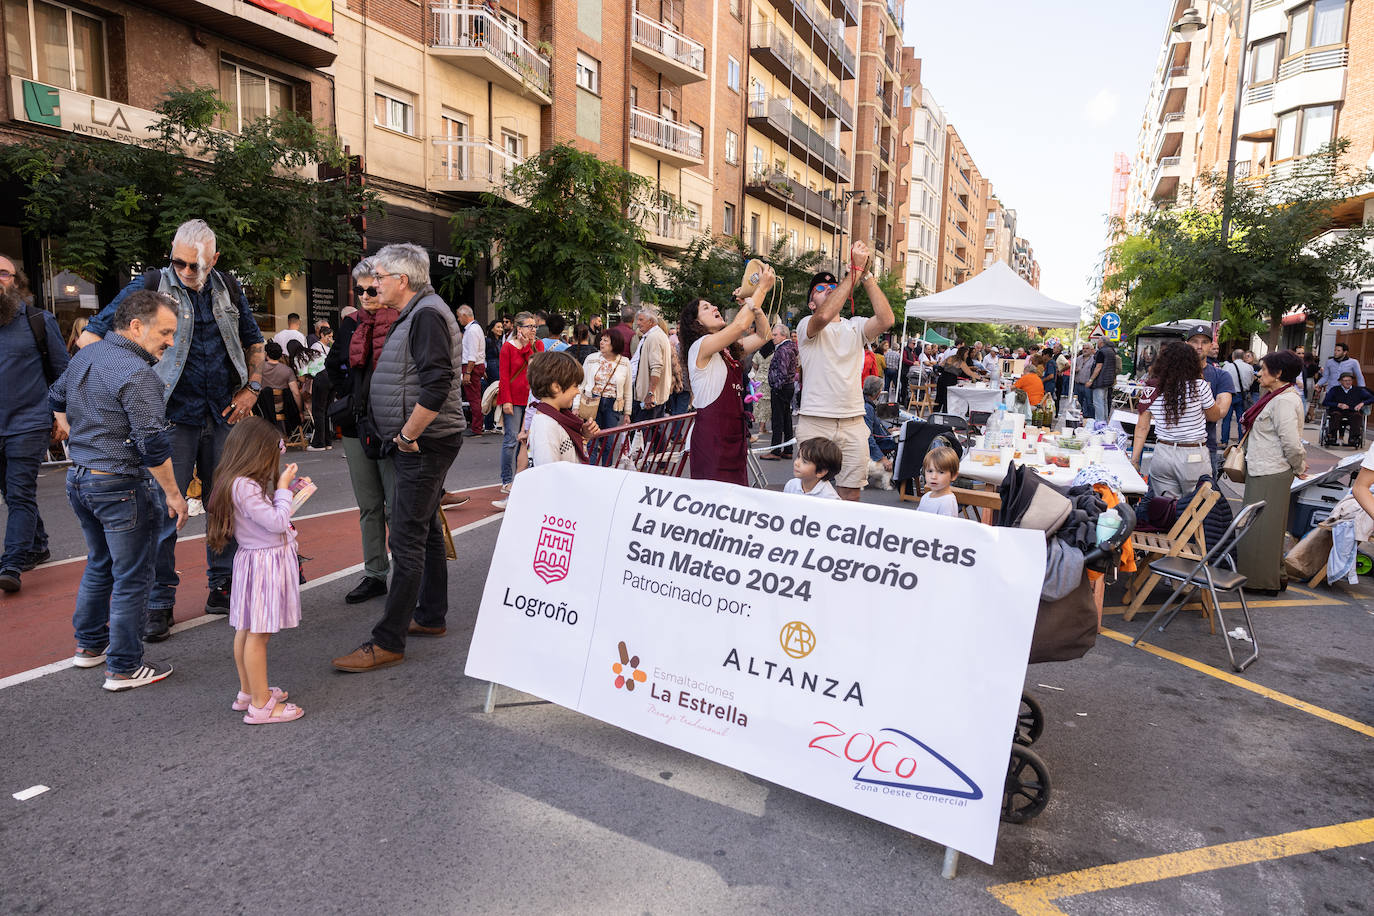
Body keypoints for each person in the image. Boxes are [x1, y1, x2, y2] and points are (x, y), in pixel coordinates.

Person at [78, 219, 266, 630]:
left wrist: (252, 387)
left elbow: (254, 341)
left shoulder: (228, 288)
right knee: (164, 512)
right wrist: (127, 391)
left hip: (223, 413)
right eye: (178, 262)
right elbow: (90, 339)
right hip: (167, 419)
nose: (184, 271)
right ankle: (158, 599)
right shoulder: (148, 287)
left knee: (226, 505)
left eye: (194, 265)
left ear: (214, 260)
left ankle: (224, 585)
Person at [332, 242, 466, 673]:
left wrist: (408, 435)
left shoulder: (425, 314)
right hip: (425, 439)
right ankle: (430, 615)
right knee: (423, 530)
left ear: (401, 281)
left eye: (380, 278)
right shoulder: (421, 311)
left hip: (424, 441)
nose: (374, 285)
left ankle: (387, 640)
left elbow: (437, 382)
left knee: (405, 537)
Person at [52, 290, 187, 689]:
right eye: (165, 332)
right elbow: (152, 445)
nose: (170, 342)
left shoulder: (85, 356)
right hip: (119, 484)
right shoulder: (137, 373)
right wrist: (174, 495)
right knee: (132, 575)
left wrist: (82, 434)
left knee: (100, 564)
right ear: (135, 327)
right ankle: (124, 666)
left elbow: (55, 397)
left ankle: (90, 646)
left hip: (79, 478)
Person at [206, 417, 306, 724]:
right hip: (264, 563)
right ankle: (262, 705)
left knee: (246, 629)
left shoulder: (234, 481)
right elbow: (276, 522)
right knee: (258, 635)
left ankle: (249, 691)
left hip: (253, 561)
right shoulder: (246, 486)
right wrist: (284, 490)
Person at [794, 244, 893, 501]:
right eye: (820, 289)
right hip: (816, 419)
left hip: (853, 421)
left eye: (832, 288)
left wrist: (867, 276)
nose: (828, 291)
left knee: (850, 492)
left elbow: (886, 320)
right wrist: (854, 273)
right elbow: (825, 315)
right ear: (810, 303)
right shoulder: (807, 325)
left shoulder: (855, 327)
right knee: (809, 492)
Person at [324, 260, 393, 605]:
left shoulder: (400, 321)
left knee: (396, 506)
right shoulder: (350, 324)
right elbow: (331, 364)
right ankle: (376, 574)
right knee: (369, 506)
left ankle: (411, 574)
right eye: (360, 289)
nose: (366, 295)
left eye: (372, 289)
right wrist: (350, 396)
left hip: (392, 426)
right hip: (355, 425)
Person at [0, 279, 68, 592]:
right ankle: (38, 544)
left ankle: (12, 563)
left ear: (15, 282)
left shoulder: (37, 321)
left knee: (19, 493)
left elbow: (62, 373)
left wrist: (61, 415)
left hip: (28, 424)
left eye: (3, 273)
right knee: (11, 492)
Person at [678, 271, 774, 484]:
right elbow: (739, 326)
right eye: (706, 308)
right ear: (696, 323)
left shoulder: (728, 350)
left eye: (713, 305)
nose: (714, 308)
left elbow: (763, 336)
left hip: (734, 436)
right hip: (712, 438)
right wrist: (761, 289)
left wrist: (755, 306)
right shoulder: (699, 347)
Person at [1237, 350, 1306, 595]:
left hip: (1271, 470)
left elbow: (1291, 442)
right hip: (1264, 468)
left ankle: (1259, 582)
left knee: (1260, 529)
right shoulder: (1275, 396)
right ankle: (1275, 575)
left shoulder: (1284, 400)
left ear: (1277, 374)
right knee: (1266, 527)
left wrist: (1299, 467)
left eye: (1264, 369)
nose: (1259, 373)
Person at [1130, 341, 1222, 499]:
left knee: (1165, 509)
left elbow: (1142, 428)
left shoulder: (1151, 388)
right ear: (1192, 363)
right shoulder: (1199, 386)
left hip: (1162, 455)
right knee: (1196, 509)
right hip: (1193, 455)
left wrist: (1135, 459)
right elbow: (1214, 416)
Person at [498, 311, 542, 494]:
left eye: (534, 326)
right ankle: (507, 480)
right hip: (514, 399)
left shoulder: (538, 345)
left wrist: (528, 346)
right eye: (529, 326)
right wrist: (506, 400)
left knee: (527, 439)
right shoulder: (508, 347)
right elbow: (504, 377)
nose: (533, 329)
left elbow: (537, 366)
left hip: (532, 398)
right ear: (519, 328)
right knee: (510, 440)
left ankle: (521, 477)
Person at [528, 351, 596, 466]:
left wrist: (584, 436)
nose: (577, 391)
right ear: (556, 387)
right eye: (575, 386)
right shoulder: (546, 426)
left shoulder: (556, 419)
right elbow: (549, 473)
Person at [1185, 324, 1234, 475]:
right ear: (1187, 344)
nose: (1199, 346)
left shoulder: (1222, 376)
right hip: (1172, 447)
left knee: (1204, 496)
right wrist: (1205, 409)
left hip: (1206, 447)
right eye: (1194, 341)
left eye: (1204, 342)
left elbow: (1220, 412)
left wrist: (1185, 411)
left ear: (1211, 345)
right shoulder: (1173, 373)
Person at [580, 329, 631, 431]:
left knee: (609, 439)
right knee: (592, 437)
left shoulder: (625, 362)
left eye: (606, 340)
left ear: (615, 343)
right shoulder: (591, 359)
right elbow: (581, 384)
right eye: (601, 339)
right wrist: (576, 406)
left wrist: (627, 413)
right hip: (592, 400)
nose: (601, 342)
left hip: (613, 404)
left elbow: (628, 390)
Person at [631, 306, 672, 423]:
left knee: (640, 432)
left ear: (651, 322)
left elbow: (656, 367)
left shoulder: (654, 337)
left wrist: (650, 393)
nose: (637, 323)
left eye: (641, 320)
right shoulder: (654, 336)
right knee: (655, 430)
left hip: (649, 397)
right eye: (637, 320)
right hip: (653, 396)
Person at [763, 322, 797, 459]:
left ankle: (775, 451)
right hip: (787, 386)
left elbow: (782, 372)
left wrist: (776, 387)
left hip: (781, 387)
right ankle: (788, 449)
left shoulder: (783, 349)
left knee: (778, 420)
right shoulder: (790, 347)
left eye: (775, 334)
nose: (773, 337)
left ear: (784, 335)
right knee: (786, 419)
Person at [259, 341, 302, 434]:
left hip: (263, 406)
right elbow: (296, 393)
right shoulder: (287, 370)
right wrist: (299, 411)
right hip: (283, 406)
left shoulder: (259, 368)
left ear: (266, 354)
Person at [456, 305, 487, 436]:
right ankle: (477, 426)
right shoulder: (474, 328)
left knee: (473, 398)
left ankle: (476, 428)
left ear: (464, 316)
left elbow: (472, 355)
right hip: (475, 366)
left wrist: (468, 372)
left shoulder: (472, 330)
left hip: (471, 367)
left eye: (458, 316)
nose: (458, 319)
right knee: (474, 397)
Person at [1321, 372, 1371, 445]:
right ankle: (1332, 436)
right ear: (1340, 381)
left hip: (1352, 411)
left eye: (1349, 380)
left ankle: (1353, 438)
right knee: (1335, 415)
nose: (1348, 382)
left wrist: (1362, 403)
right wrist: (1338, 404)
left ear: (1352, 381)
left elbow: (1371, 398)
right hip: (1337, 411)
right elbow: (1325, 402)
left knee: (1357, 416)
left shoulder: (1358, 390)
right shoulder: (1334, 390)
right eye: (1345, 380)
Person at [1220, 348, 1255, 445]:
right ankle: (1241, 441)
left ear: (1233, 356)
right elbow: (1251, 382)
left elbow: (1223, 381)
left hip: (1229, 395)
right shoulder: (1249, 368)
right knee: (1241, 419)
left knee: (1226, 419)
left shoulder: (1227, 367)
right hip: (1242, 395)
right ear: (1244, 357)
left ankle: (1224, 441)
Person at [917, 446, 960, 517]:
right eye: (930, 471)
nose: (933, 476)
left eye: (941, 472)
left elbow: (945, 527)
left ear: (953, 475)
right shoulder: (926, 496)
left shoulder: (947, 502)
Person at [1087, 337, 1117, 421]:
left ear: (1102, 342)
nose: (1097, 343)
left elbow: (1098, 367)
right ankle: (1104, 421)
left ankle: (1099, 422)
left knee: (1098, 402)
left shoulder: (1102, 352)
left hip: (1100, 381)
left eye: (1098, 341)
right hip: (1108, 381)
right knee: (1104, 402)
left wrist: (1091, 380)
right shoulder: (1112, 351)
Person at [1073, 344, 1095, 418]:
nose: (1085, 350)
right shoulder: (1078, 358)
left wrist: (1091, 381)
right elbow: (1072, 369)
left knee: (1089, 403)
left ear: (1091, 350)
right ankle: (1077, 419)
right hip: (1078, 384)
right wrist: (1075, 370)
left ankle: (1090, 419)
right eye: (1083, 348)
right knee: (1077, 403)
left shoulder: (1094, 359)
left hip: (1087, 384)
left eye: (1087, 348)